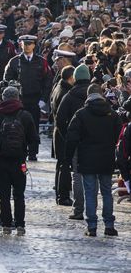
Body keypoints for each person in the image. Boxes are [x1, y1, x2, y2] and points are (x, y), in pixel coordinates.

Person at [65, 84, 121, 237]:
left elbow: (72, 138)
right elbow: (118, 135)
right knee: (107, 193)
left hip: (87, 158)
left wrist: (68, 158)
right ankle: (109, 225)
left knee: (90, 192)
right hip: (106, 158)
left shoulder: (81, 114)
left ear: (88, 96)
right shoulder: (112, 114)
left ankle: (92, 226)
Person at [0, 86, 38, 235]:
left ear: (3, 98)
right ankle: (20, 224)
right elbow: (33, 138)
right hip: (19, 160)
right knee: (19, 194)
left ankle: (6, 224)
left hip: (1, 160)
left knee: (3, 194)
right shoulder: (25, 115)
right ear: (17, 98)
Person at [3, 34, 52, 161]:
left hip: (35, 98)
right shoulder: (14, 61)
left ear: (34, 45)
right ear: (21, 45)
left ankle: (33, 152)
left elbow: (48, 81)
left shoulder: (42, 62)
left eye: (30, 44)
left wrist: (43, 100)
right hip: (20, 99)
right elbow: (6, 79)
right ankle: (21, 149)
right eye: (25, 44)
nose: (27, 46)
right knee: (19, 125)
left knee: (33, 126)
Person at [55, 64, 91, 219]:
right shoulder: (96, 95)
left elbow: (59, 119)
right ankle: (92, 211)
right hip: (93, 142)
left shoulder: (69, 96)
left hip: (76, 141)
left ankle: (79, 209)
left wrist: (68, 136)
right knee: (93, 177)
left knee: (77, 176)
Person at [50, 65, 75, 205]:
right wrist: (67, 135)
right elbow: (61, 117)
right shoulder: (65, 91)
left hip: (58, 132)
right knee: (64, 165)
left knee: (61, 165)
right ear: (71, 78)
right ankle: (63, 195)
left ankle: (60, 193)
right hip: (62, 133)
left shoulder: (59, 87)